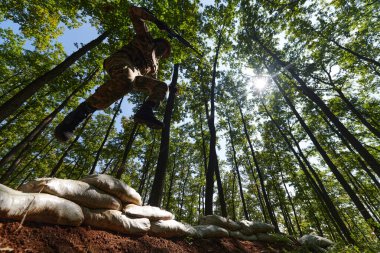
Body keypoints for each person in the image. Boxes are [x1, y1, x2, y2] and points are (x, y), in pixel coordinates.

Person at [54, 5, 171, 142]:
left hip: (136, 75)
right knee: (127, 80)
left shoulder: (155, 66)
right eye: (163, 46)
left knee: (162, 86)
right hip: (122, 61)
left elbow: (153, 83)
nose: (163, 50)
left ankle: (146, 111)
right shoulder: (146, 39)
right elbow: (133, 11)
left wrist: (170, 89)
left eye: (165, 51)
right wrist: (155, 20)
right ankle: (77, 116)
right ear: (157, 42)